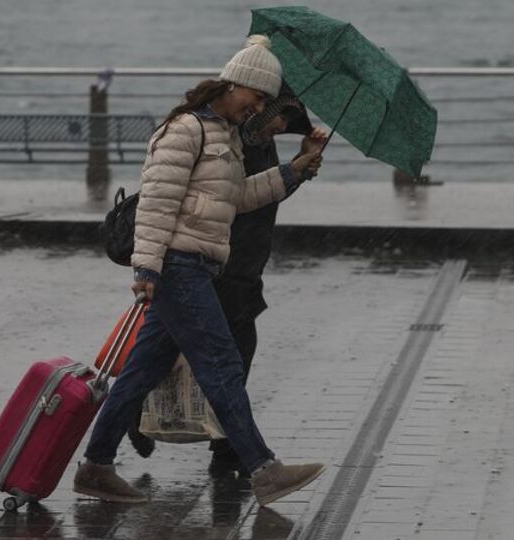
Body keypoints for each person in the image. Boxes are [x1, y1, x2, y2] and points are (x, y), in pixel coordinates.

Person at [73, 35, 326, 507]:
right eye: (257, 98)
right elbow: (157, 205)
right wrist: (146, 269)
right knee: (221, 363)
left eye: (265, 104)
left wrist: (297, 169)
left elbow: (238, 197)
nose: (258, 109)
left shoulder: (225, 134)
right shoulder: (185, 130)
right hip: (177, 265)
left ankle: (95, 466)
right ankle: (265, 470)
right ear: (236, 84)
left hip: (197, 265)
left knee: (141, 371)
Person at [208, 91, 327, 473]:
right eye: (281, 118)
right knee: (230, 354)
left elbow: (268, 194)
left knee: (227, 352)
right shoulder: (237, 144)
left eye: (289, 122)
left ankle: (226, 445)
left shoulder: (262, 142)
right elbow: (242, 197)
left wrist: (300, 166)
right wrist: (295, 169)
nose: (283, 126)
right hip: (226, 262)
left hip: (247, 262)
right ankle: (231, 448)